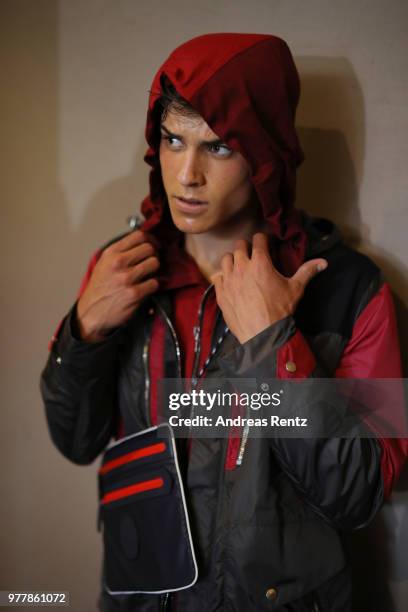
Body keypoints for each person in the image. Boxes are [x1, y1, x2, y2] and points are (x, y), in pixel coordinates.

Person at [40, 33, 407, 611]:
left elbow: (362, 493)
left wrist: (275, 346)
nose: (185, 175)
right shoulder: (122, 269)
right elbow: (75, 440)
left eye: (217, 148)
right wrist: (83, 331)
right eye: (172, 140)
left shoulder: (353, 290)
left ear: (264, 153)